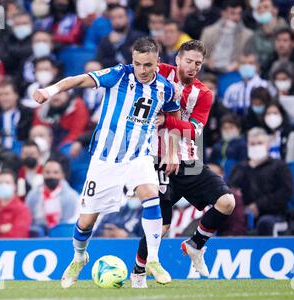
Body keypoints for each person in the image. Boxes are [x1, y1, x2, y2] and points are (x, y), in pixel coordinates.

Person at [34, 37, 180, 287]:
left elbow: (174, 116)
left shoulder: (166, 88)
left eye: (147, 65)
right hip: (105, 159)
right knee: (86, 221)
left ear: (158, 62)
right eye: (137, 64)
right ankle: (79, 257)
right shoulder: (119, 75)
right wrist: (49, 91)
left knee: (150, 194)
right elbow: (79, 80)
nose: (142, 70)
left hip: (139, 155)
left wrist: (173, 151)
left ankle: (153, 258)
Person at [131, 40, 236, 288]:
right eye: (189, 61)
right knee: (162, 225)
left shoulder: (203, 94)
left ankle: (195, 244)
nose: (193, 67)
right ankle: (138, 272)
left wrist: (167, 119)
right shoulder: (159, 72)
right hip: (156, 160)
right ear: (177, 59)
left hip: (189, 161)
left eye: (198, 64)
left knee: (227, 202)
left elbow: (193, 131)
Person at [228, 127, 293, 236]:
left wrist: (258, 205)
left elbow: (286, 192)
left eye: (259, 143)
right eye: (252, 144)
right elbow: (231, 190)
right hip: (243, 213)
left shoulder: (279, 166)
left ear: (268, 145)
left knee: (265, 223)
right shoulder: (239, 168)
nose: (256, 147)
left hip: (274, 214)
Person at [26, 160, 80, 235]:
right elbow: (28, 219)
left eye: (55, 172)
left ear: (62, 175)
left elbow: (69, 222)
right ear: (42, 174)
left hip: (62, 236)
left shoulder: (72, 196)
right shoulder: (32, 196)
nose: (51, 176)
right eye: (47, 172)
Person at [33, 79, 90, 149]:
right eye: (52, 94)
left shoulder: (77, 106)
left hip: (70, 144)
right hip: (49, 145)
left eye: (59, 93)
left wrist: (58, 151)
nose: (56, 97)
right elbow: (36, 130)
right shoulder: (42, 109)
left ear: (68, 94)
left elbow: (76, 133)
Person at [201, 0, 253, 75]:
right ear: (223, 13)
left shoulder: (247, 35)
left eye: (239, 14)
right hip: (210, 72)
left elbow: (250, 59)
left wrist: (239, 64)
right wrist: (207, 62)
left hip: (234, 73)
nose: (236, 17)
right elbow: (200, 57)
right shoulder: (209, 32)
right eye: (232, 13)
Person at [0, 170, 32, 238]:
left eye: (7, 183)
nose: (3, 185)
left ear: (14, 186)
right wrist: (0, 229)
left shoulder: (22, 210)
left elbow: (18, 235)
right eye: (0, 183)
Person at [0, 80, 34, 149]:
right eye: (0, 95)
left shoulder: (27, 113)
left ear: (16, 95)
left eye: (6, 94)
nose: (3, 98)